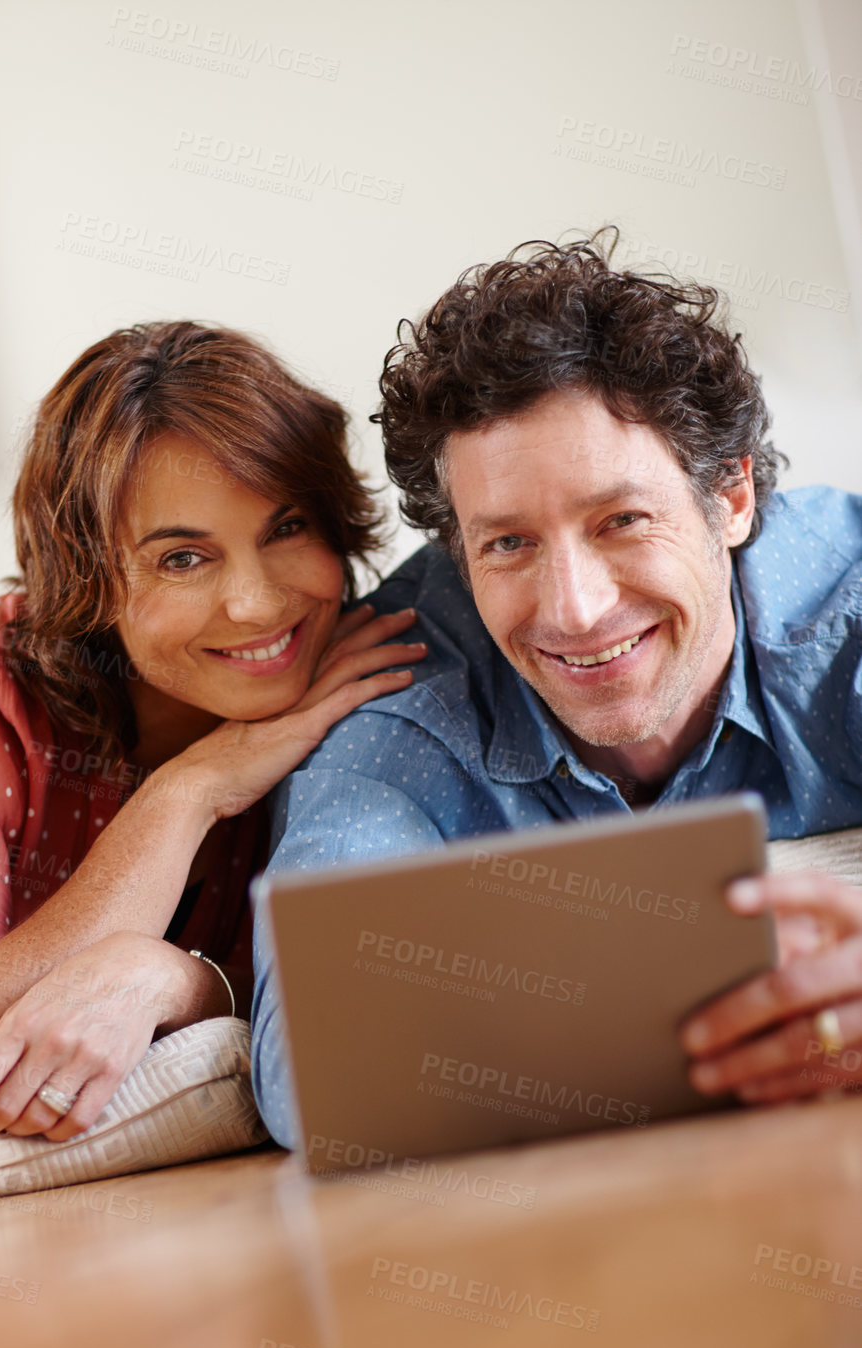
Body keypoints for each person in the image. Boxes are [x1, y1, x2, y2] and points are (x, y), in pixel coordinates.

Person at [250, 235, 862, 1147]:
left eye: (622, 520)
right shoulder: (397, 701)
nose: (575, 611)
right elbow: (317, 1068)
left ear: (731, 498)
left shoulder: (846, 605)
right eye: (508, 544)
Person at [0, 321, 425, 1153]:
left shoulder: (364, 675)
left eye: (286, 529)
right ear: (89, 578)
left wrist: (173, 979)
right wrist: (192, 787)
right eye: (183, 559)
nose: (258, 604)